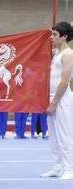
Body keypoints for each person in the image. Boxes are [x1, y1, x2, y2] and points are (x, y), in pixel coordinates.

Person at [40, 21, 73, 180]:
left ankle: (69, 168)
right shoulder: (56, 53)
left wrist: (54, 103)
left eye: (54, 35)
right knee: (53, 136)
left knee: (64, 134)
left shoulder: (68, 54)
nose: (51, 37)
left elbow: (64, 82)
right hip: (52, 97)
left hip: (62, 98)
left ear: (65, 37)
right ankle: (57, 166)